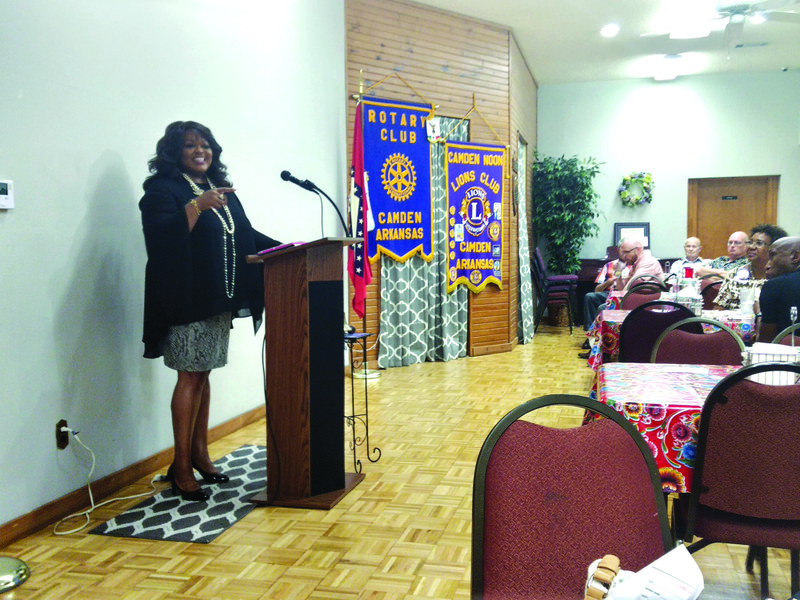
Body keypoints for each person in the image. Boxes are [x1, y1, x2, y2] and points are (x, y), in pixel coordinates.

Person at [140, 121, 281, 501]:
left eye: (206, 145)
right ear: (175, 152)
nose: (201, 151)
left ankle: (200, 454)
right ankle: (181, 467)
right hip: (184, 301)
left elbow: (247, 235)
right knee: (189, 376)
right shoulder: (161, 191)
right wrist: (195, 207)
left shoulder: (219, 192)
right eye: (191, 146)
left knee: (202, 374)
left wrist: (290, 248)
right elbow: (160, 240)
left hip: (218, 300)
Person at [713, 224, 788, 311]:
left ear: (772, 249)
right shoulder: (735, 274)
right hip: (731, 323)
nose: (751, 247)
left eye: (759, 243)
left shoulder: (779, 278)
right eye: (750, 242)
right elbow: (718, 309)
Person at [758, 235, 800, 343]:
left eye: (772, 256)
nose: (767, 266)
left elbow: (766, 342)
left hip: (788, 357)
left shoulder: (774, 287)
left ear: (795, 257)